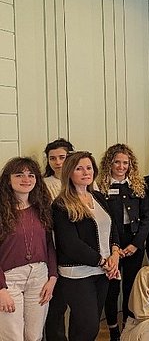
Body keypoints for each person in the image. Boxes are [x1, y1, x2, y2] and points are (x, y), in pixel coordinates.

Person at [51, 151, 121, 341]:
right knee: (88, 327)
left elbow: (112, 226)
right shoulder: (61, 204)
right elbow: (70, 244)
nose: (85, 172)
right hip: (77, 273)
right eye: (79, 168)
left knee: (85, 326)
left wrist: (115, 253)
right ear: (69, 173)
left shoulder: (97, 196)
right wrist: (102, 261)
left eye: (88, 168)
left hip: (103, 272)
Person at [97, 143, 149, 340]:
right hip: (111, 244)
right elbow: (104, 220)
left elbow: (147, 218)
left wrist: (136, 244)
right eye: (117, 162)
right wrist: (116, 248)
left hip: (134, 243)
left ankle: (129, 325)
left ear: (130, 165)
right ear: (109, 164)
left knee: (131, 287)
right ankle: (113, 329)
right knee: (112, 288)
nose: (121, 166)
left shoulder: (138, 185)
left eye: (125, 163)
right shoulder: (100, 188)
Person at [0, 157, 57, 340]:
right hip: (9, 279)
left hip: (39, 276)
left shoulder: (42, 208)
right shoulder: (1, 211)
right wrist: (1, 289)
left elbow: (49, 244)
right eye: (19, 175)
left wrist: (52, 277)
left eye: (31, 175)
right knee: (12, 336)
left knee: (34, 336)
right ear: (8, 179)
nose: (26, 179)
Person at [42, 139, 74, 340]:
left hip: (80, 251)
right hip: (55, 248)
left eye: (62, 157)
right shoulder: (45, 184)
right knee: (57, 304)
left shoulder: (83, 179)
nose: (57, 162)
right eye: (52, 158)